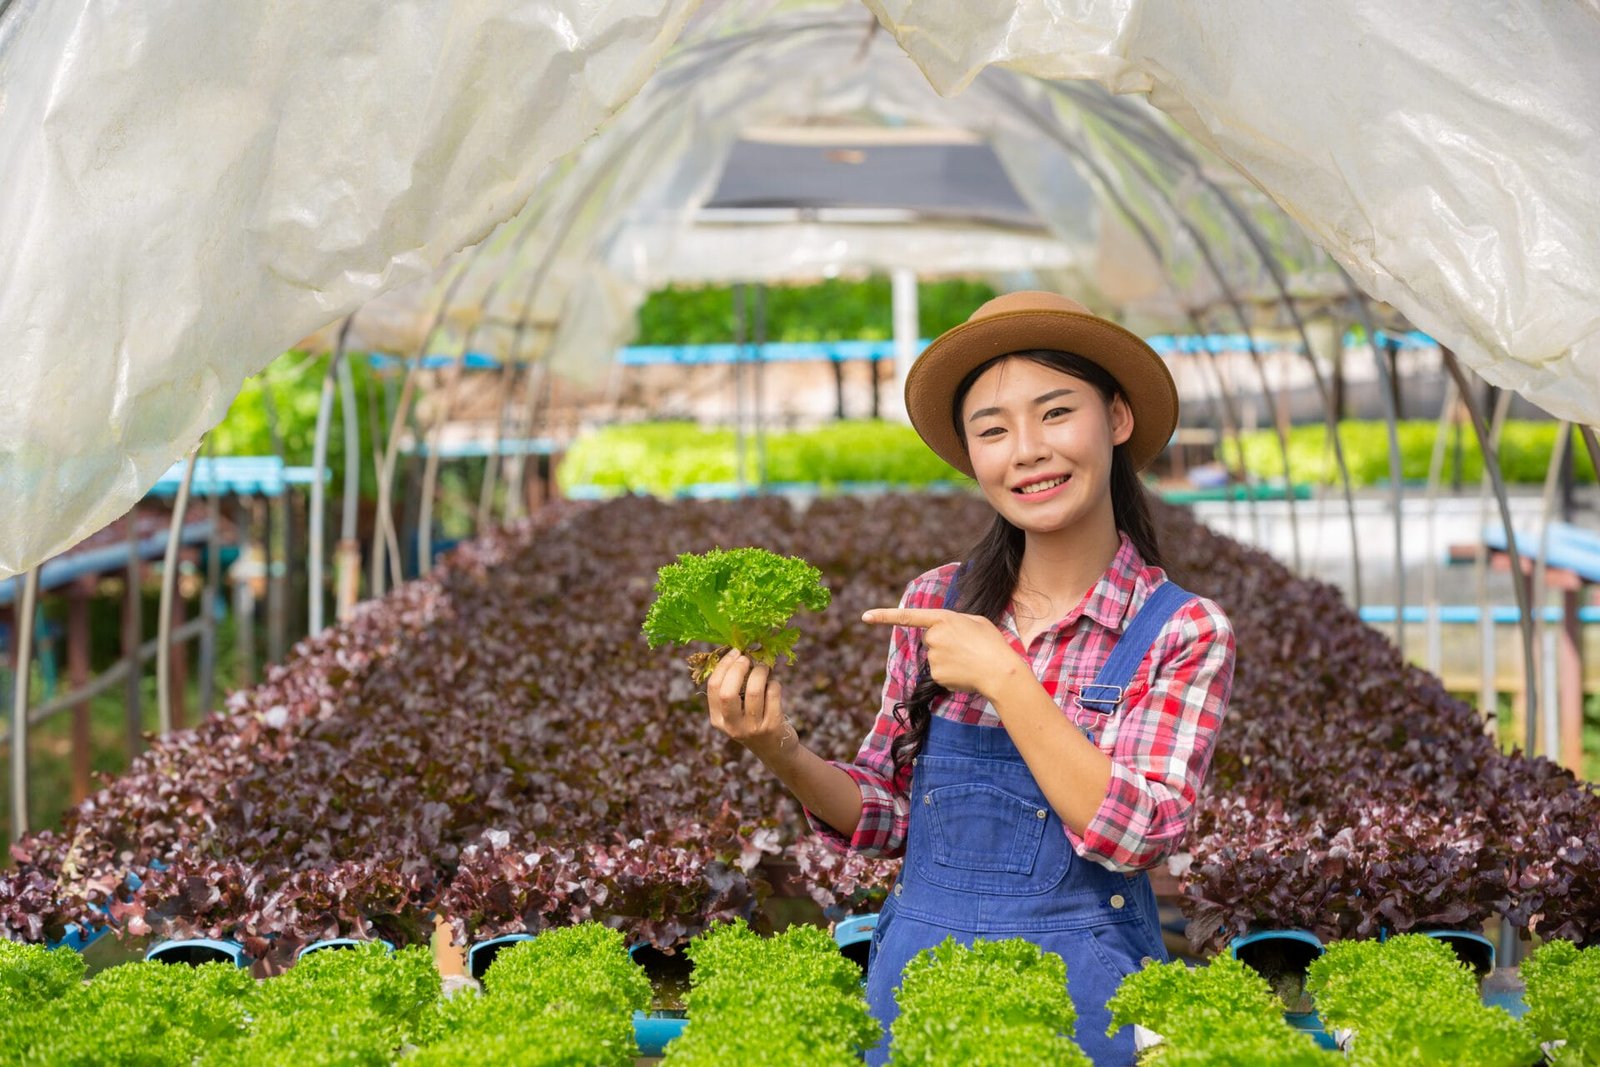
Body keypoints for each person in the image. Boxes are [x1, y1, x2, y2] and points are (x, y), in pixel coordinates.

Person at [705, 290, 1236, 1066]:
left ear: (1116, 419)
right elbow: (887, 813)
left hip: (1084, 1013)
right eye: (993, 429)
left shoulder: (1182, 630)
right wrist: (780, 749)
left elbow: (1137, 833)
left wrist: (1008, 679)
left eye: (1055, 413)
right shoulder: (936, 602)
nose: (1026, 449)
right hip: (916, 994)